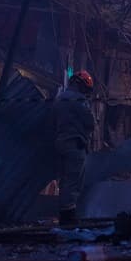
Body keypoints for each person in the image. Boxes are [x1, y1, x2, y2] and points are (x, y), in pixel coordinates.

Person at [52, 70, 95, 226]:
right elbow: (90, 122)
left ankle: (65, 212)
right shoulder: (79, 100)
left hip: (60, 142)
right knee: (74, 180)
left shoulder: (59, 98)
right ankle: (68, 215)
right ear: (80, 85)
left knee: (64, 179)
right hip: (75, 143)